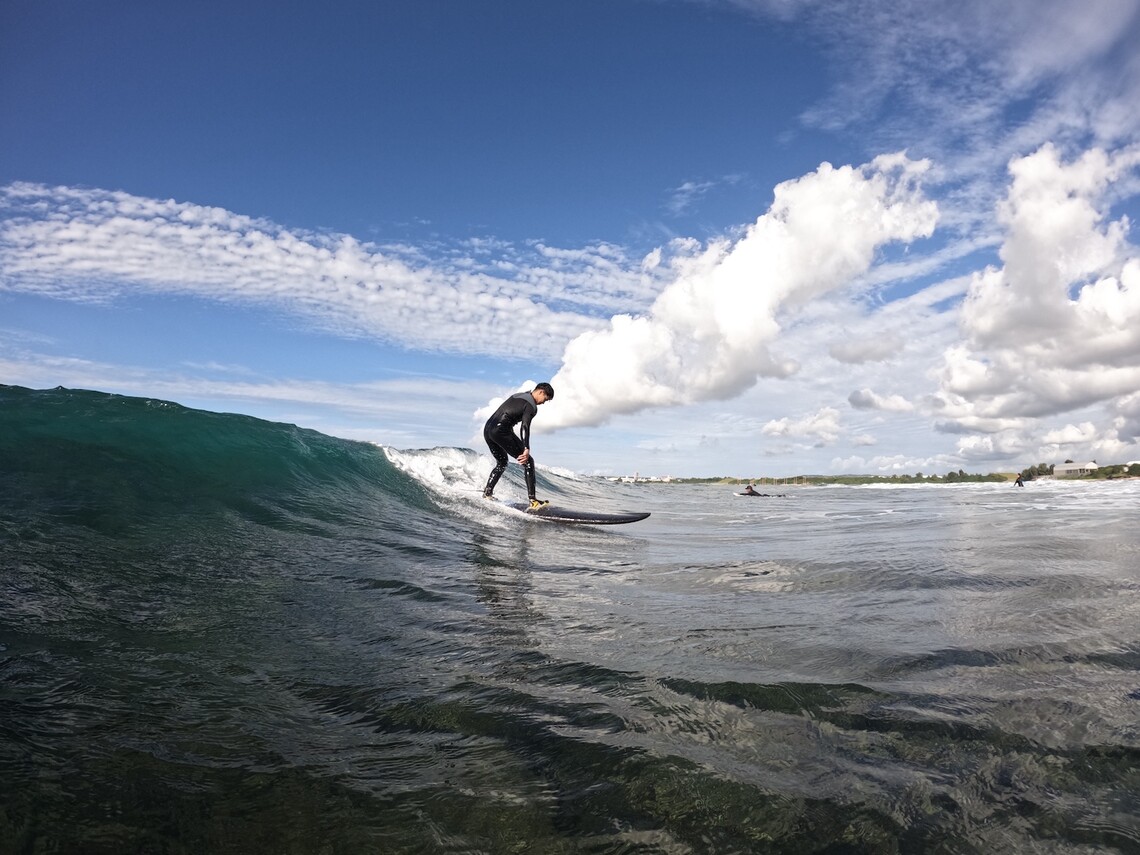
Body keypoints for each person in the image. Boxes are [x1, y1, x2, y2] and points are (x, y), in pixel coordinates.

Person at [482, 383, 554, 509]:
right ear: (541, 392)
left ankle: (487, 493)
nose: (543, 403)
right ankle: (533, 501)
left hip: (488, 429)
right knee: (529, 461)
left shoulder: (519, 395)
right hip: (501, 430)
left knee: (502, 462)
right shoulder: (531, 405)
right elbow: (525, 426)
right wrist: (526, 448)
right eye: (545, 399)